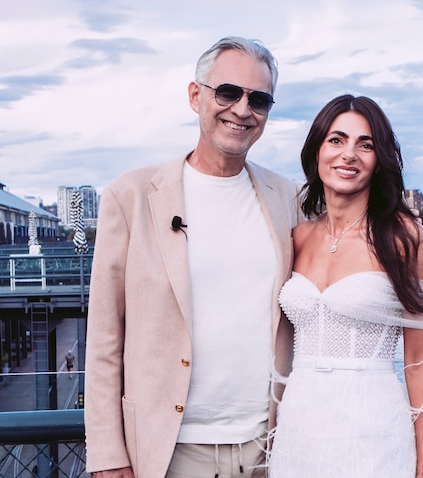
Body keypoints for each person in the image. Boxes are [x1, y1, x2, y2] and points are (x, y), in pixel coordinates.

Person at [84, 37, 300, 478]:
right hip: (170, 451)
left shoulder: (288, 197)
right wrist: (108, 455)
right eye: (228, 92)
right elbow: (105, 337)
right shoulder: (132, 195)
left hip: (271, 447)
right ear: (195, 95)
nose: (242, 109)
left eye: (259, 99)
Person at [268, 94, 423, 477]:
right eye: (337, 140)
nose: (349, 154)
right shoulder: (297, 237)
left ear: (379, 160)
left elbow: (419, 360)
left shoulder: (405, 239)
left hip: (374, 428)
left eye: (365, 145)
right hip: (298, 426)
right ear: (317, 150)